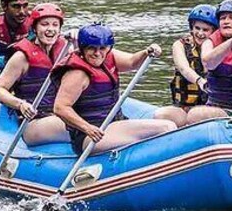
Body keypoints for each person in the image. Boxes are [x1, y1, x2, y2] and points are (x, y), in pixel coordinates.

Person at [53, 23, 176, 155]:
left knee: (167, 127)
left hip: (113, 125)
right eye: (91, 48)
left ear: (108, 48)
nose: (97, 53)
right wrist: (88, 128)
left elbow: (132, 62)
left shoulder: (109, 56)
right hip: (91, 136)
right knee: (167, 127)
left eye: (102, 48)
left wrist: (147, 52)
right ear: (82, 48)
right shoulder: (77, 74)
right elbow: (60, 107)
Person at [0, 3, 71, 146]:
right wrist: (20, 104)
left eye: (55, 25)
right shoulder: (21, 57)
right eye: (44, 24)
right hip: (34, 122)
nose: (50, 30)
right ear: (35, 28)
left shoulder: (66, 50)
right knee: (75, 123)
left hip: (60, 113)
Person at [169, 4, 217, 109]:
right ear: (192, 27)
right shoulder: (180, 45)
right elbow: (183, 68)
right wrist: (200, 81)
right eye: (197, 28)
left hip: (211, 107)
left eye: (205, 30)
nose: (200, 33)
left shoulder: (218, 49)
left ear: (214, 31)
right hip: (184, 107)